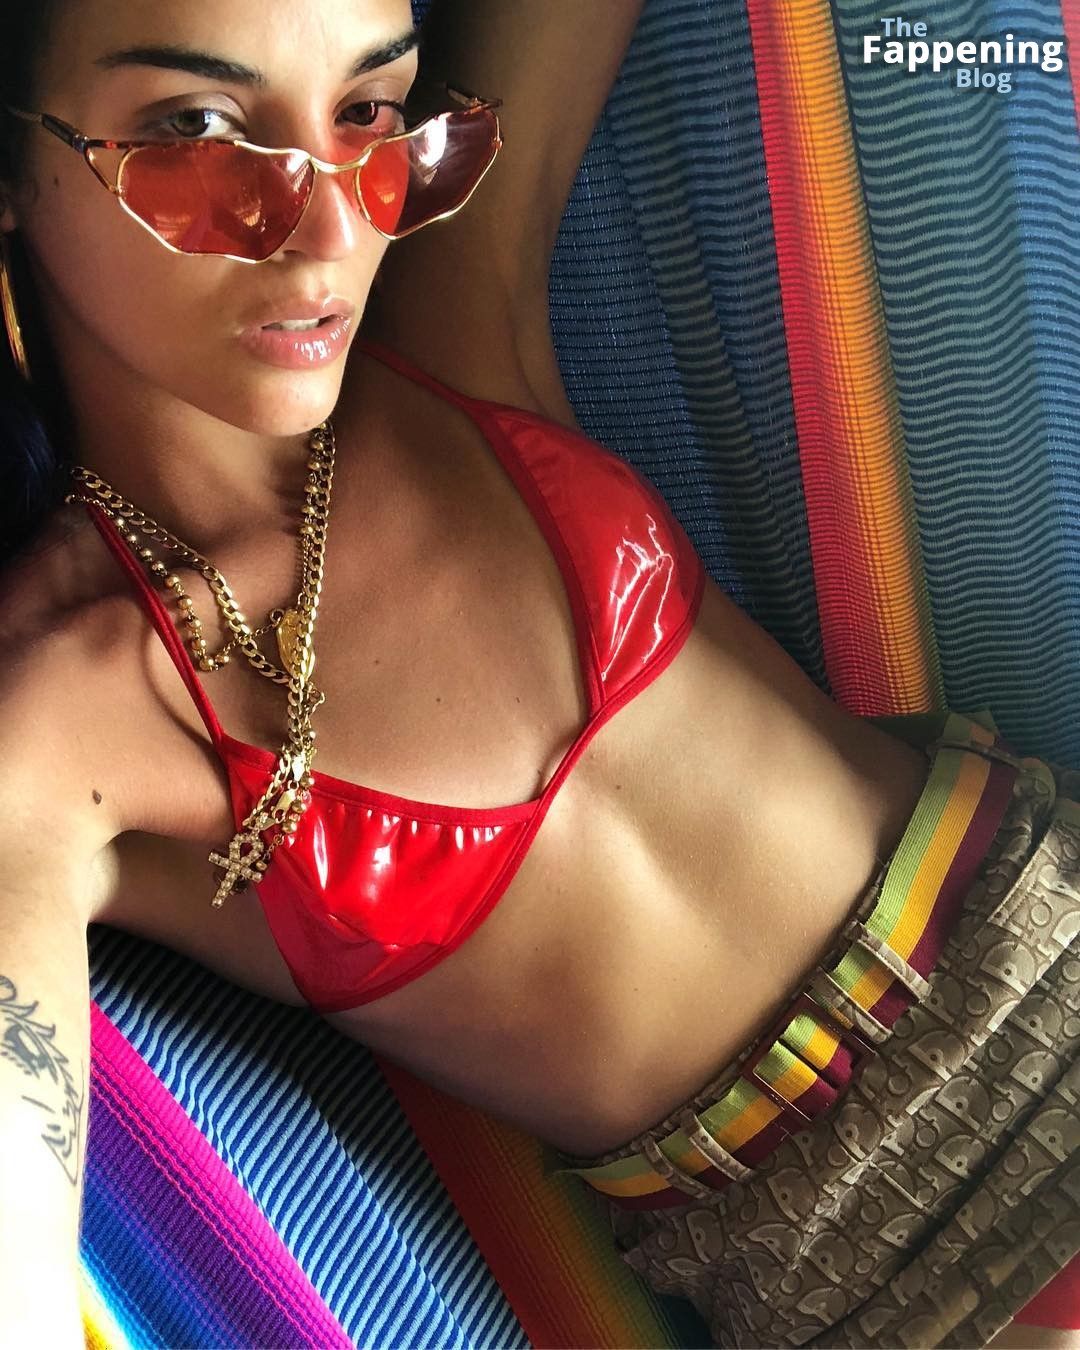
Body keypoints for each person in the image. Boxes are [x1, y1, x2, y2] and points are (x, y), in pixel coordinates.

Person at [0, 1, 1075, 1346]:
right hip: (875, 1271)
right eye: (202, 131)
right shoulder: (58, 725)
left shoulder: (442, 337)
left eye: (368, 111)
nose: (330, 231)